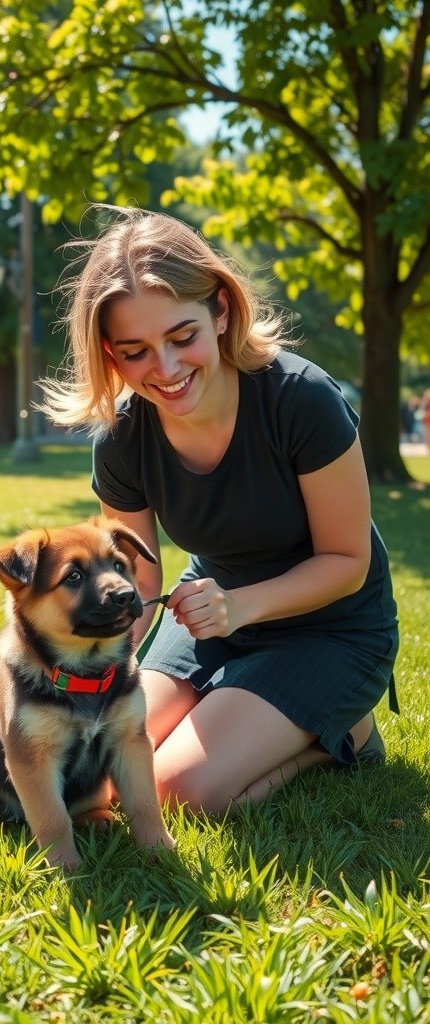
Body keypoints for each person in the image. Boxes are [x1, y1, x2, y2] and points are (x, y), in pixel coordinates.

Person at [40, 206, 399, 818]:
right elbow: (138, 581)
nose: (167, 369)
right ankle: (262, 713)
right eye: (136, 352)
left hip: (331, 627)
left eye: (182, 337)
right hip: (208, 613)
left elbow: (347, 561)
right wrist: (81, 661)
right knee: (100, 771)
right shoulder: (123, 440)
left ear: (221, 310)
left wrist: (238, 608)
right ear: (109, 353)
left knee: (177, 793)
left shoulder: (302, 400)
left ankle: (344, 735)